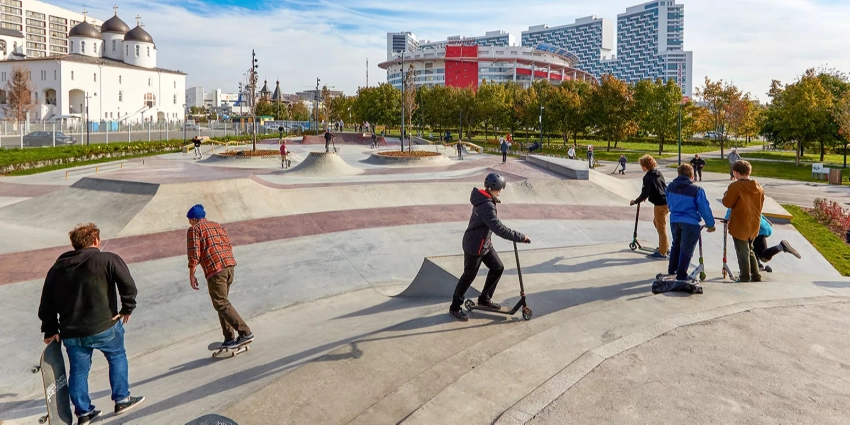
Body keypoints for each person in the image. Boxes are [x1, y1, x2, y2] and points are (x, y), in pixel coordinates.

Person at [38, 223, 145, 424]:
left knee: (78, 372)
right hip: (105, 326)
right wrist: (126, 308)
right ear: (96, 241)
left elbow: (46, 303)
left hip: (72, 333)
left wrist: (50, 329)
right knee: (117, 357)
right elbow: (128, 285)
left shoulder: (56, 269)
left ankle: (84, 414)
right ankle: (122, 400)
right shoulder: (107, 259)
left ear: (75, 244)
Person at [450, 173, 531, 321]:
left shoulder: (485, 199)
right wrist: (520, 237)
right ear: (495, 188)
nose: (501, 191)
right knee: (468, 277)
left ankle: (484, 299)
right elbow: (498, 228)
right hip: (474, 247)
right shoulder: (487, 206)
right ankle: (455, 307)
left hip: (484, 244)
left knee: (497, 267)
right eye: (500, 189)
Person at [186, 204, 254, 349]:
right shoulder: (217, 225)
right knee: (223, 304)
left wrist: (192, 275)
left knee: (221, 303)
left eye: (189, 220)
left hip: (215, 270)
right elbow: (228, 244)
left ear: (193, 219)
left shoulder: (194, 229)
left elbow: (194, 253)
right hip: (229, 266)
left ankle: (245, 332)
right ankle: (229, 338)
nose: (189, 223)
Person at [665, 164, 716, 284]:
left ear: (678, 174)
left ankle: (672, 269)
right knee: (686, 248)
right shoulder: (697, 190)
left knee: (676, 245)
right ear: (692, 175)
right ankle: (681, 274)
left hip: (675, 220)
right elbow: (704, 208)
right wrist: (710, 224)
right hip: (691, 222)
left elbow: (668, 203)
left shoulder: (670, 187)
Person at [722, 160, 765, 282]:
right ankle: (756, 275)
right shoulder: (759, 187)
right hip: (754, 222)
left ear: (735, 172)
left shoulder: (735, 186)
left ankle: (744, 276)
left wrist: (725, 195)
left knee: (742, 251)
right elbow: (761, 205)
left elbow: (727, 203)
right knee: (750, 249)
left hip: (740, 223)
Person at [630, 155, 670, 259]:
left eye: (641, 165)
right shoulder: (658, 173)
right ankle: (664, 246)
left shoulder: (647, 177)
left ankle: (662, 252)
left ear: (645, 166)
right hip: (667, 202)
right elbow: (660, 187)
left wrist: (636, 201)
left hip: (660, 204)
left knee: (661, 228)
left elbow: (644, 193)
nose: (641, 167)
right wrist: (647, 196)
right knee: (656, 223)